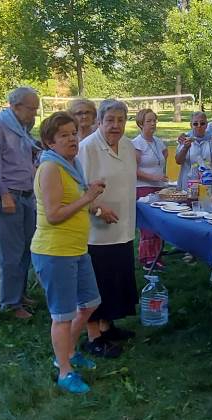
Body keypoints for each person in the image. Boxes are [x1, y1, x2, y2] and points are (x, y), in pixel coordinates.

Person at [31, 112, 106, 393]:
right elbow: (53, 215)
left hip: (76, 248)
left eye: (74, 133)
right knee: (62, 315)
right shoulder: (51, 168)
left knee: (90, 303)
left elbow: (76, 202)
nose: (72, 138)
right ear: (50, 142)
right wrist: (88, 197)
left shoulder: (71, 165)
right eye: (64, 135)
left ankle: (68, 352)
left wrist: (95, 206)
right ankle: (64, 371)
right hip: (54, 251)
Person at [76, 99, 138, 357]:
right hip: (96, 229)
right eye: (110, 120)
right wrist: (98, 209)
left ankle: (107, 325)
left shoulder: (127, 146)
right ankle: (93, 336)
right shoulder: (87, 148)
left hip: (123, 227)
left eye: (120, 120)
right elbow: (78, 189)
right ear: (99, 121)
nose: (115, 125)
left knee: (116, 279)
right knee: (97, 281)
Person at [0, 86, 42, 319]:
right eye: (31, 109)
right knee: (11, 253)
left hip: (27, 195)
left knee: (27, 247)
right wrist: (3, 195)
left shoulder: (22, 127)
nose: (34, 113)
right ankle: (10, 302)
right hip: (10, 196)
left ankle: (20, 293)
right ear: (16, 106)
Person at [132, 108, 168, 269]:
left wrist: (161, 176)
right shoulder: (137, 144)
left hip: (159, 188)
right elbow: (133, 170)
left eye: (154, 120)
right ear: (141, 124)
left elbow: (164, 156)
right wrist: (153, 177)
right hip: (143, 188)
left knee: (158, 223)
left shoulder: (159, 142)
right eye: (149, 121)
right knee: (148, 225)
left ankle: (157, 255)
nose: (153, 123)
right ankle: (147, 258)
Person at [176, 111, 212, 191]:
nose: (199, 126)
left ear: (206, 125)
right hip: (189, 185)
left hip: (210, 185)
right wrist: (185, 148)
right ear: (191, 125)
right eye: (195, 124)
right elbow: (178, 161)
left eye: (202, 123)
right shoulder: (184, 139)